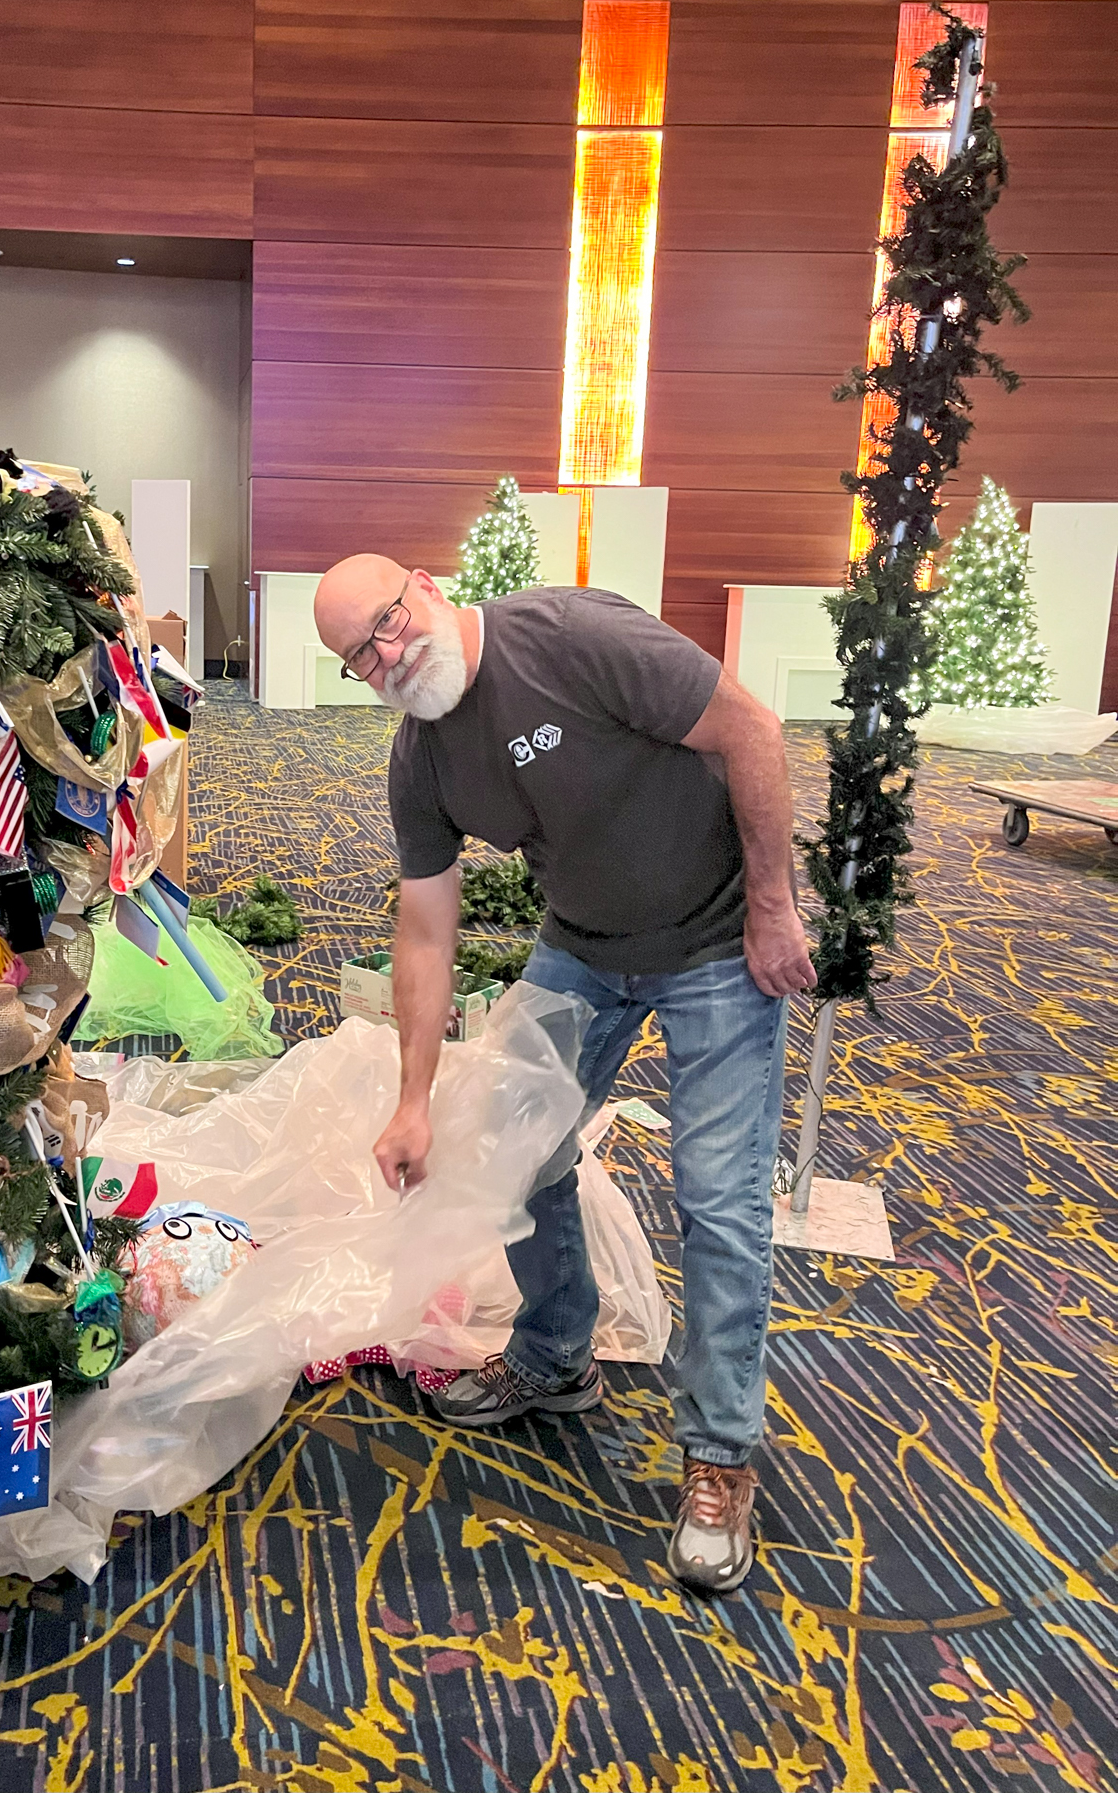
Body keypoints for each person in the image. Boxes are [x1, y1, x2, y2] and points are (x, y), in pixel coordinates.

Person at [312, 556, 816, 1592]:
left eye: (390, 623)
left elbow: (751, 731)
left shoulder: (573, 636)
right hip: (583, 946)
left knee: (719, 1204)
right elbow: (423, 928)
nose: (388, 656)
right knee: (513, 1149)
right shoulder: (422, 763)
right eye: (360, 655)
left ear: (426, 585)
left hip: (719, 941)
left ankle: (721, 1456)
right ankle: (553, 1357)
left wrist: (773, 907)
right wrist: (412, 1101)